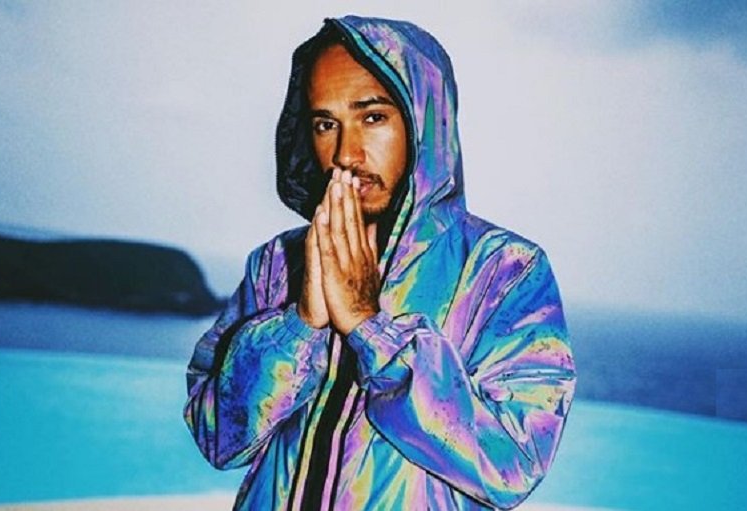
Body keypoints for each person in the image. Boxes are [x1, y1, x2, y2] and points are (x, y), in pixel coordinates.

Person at [184, 15, 576, 511]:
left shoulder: (506, 272)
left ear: (422, 121)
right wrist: (298, 326)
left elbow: (514, 464)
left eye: (372, 117)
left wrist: (370, 328)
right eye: (325, 124)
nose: (346, 154)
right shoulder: (276, 265)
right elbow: (216, 436)